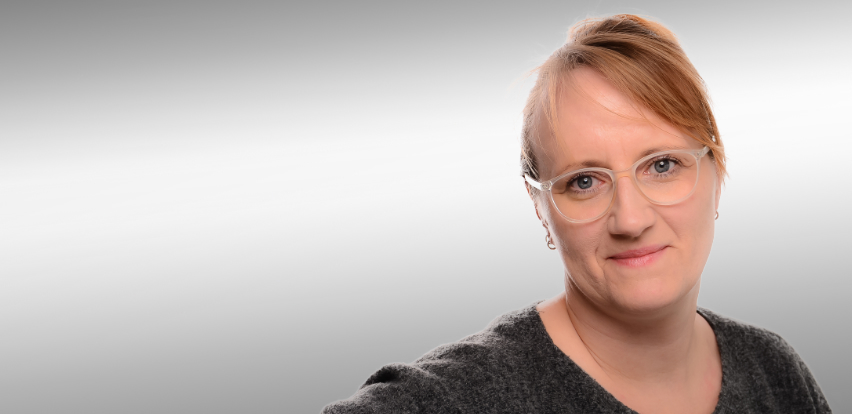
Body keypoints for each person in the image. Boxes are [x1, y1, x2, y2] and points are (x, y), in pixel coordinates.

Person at [322, 14, 831, 414]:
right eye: (584, 181)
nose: (630, 220)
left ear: (716, 174)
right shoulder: (457, 397)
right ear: (541, 208)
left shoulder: (774, 372)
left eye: (662, 165)